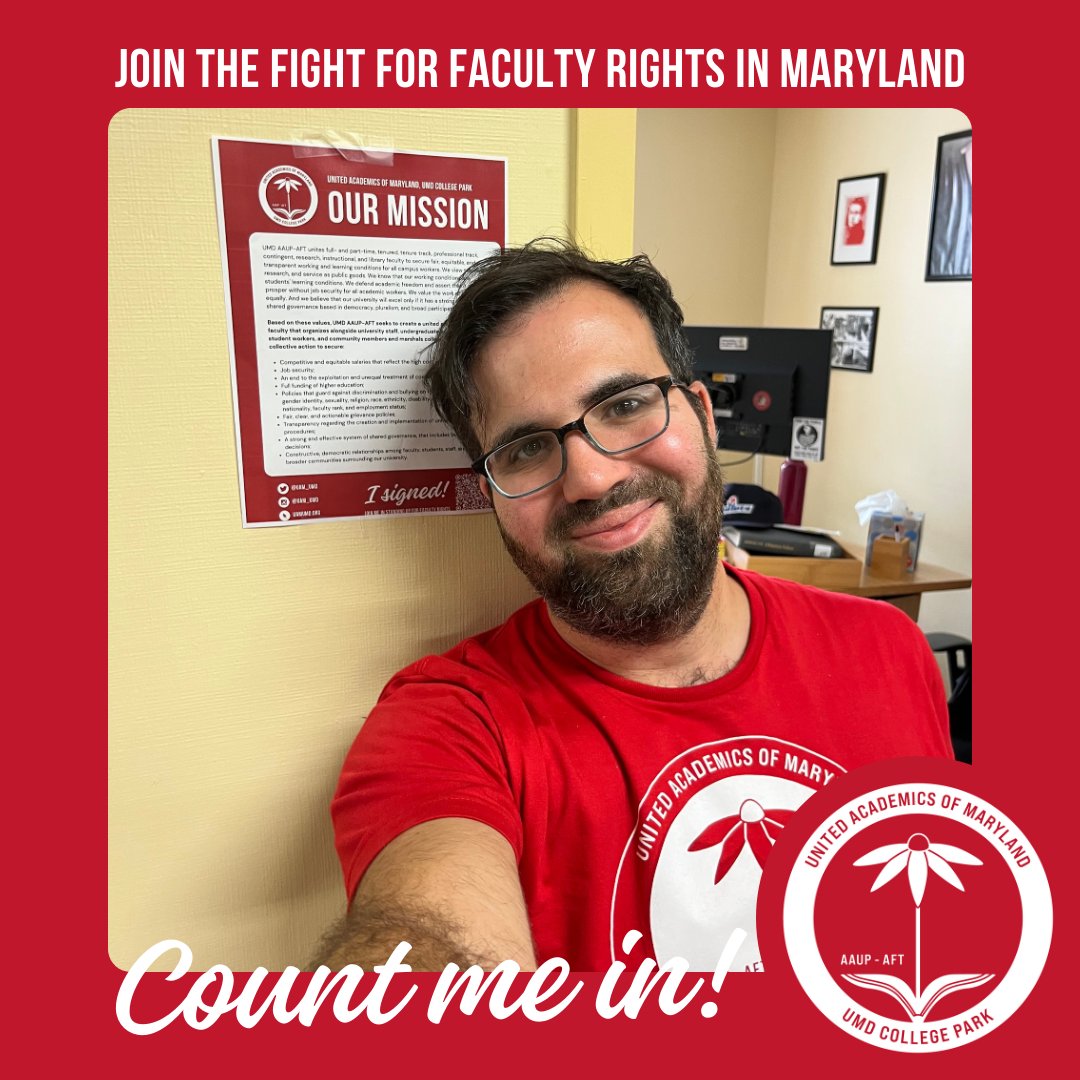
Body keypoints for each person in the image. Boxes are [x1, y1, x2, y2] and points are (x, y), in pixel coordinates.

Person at [319, 239, 952, 973]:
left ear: (704, 416)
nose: (589, 478)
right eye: (525, 449)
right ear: (490, 494)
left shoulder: (888, 648)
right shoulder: (449, 727)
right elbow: (426, 942)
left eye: (624, 406)